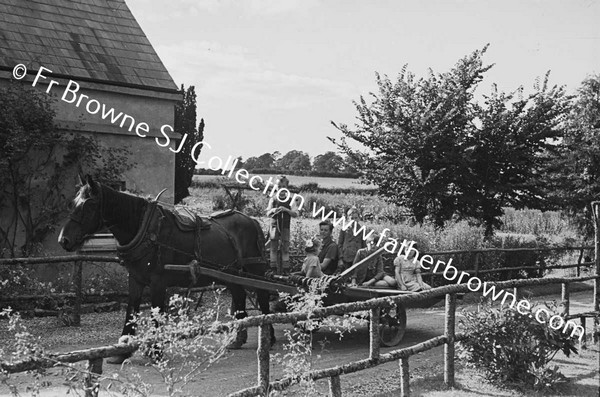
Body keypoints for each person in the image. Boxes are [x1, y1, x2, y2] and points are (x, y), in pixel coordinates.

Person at [266, 175, 299, 274]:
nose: (281, 189)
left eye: (283, 187)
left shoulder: (290, 200)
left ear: (287, 188)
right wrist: (273, 210)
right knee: (273, 247)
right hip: (274, 226)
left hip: (285, 226)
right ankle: (273, 268)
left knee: (285, 247)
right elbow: (267, 213)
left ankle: (285, 269)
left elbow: (296, 214)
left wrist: (286, 210)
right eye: (279, 187)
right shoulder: (273, 199)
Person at [337, 207, 366, 275]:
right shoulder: (344, 230)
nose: (354, 220)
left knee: (355, 274)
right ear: (348, 218)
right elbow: (340, 244)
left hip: (357, 257)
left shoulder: (362, 230)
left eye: (356, 218)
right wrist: (340, 258)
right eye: (352, 218)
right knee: (343, 274)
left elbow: (364, 245)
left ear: (359, 218)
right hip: (345, 257)